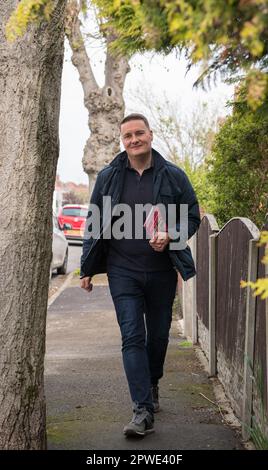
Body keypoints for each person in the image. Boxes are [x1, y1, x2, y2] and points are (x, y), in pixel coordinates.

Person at [80, 113, 200, 438]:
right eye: (128, 136)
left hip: (162, 271)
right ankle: (142, 410)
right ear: (123, 140)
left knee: (158, 337)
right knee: (132, 336)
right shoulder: (108, 176)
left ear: (150, 134)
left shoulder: (173, 176)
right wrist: (87, 269)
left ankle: (152, 382)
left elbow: (192, 214)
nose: (134, 140)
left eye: (139, 134)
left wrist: (172, 234)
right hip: (123, 271)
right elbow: (93, 222)